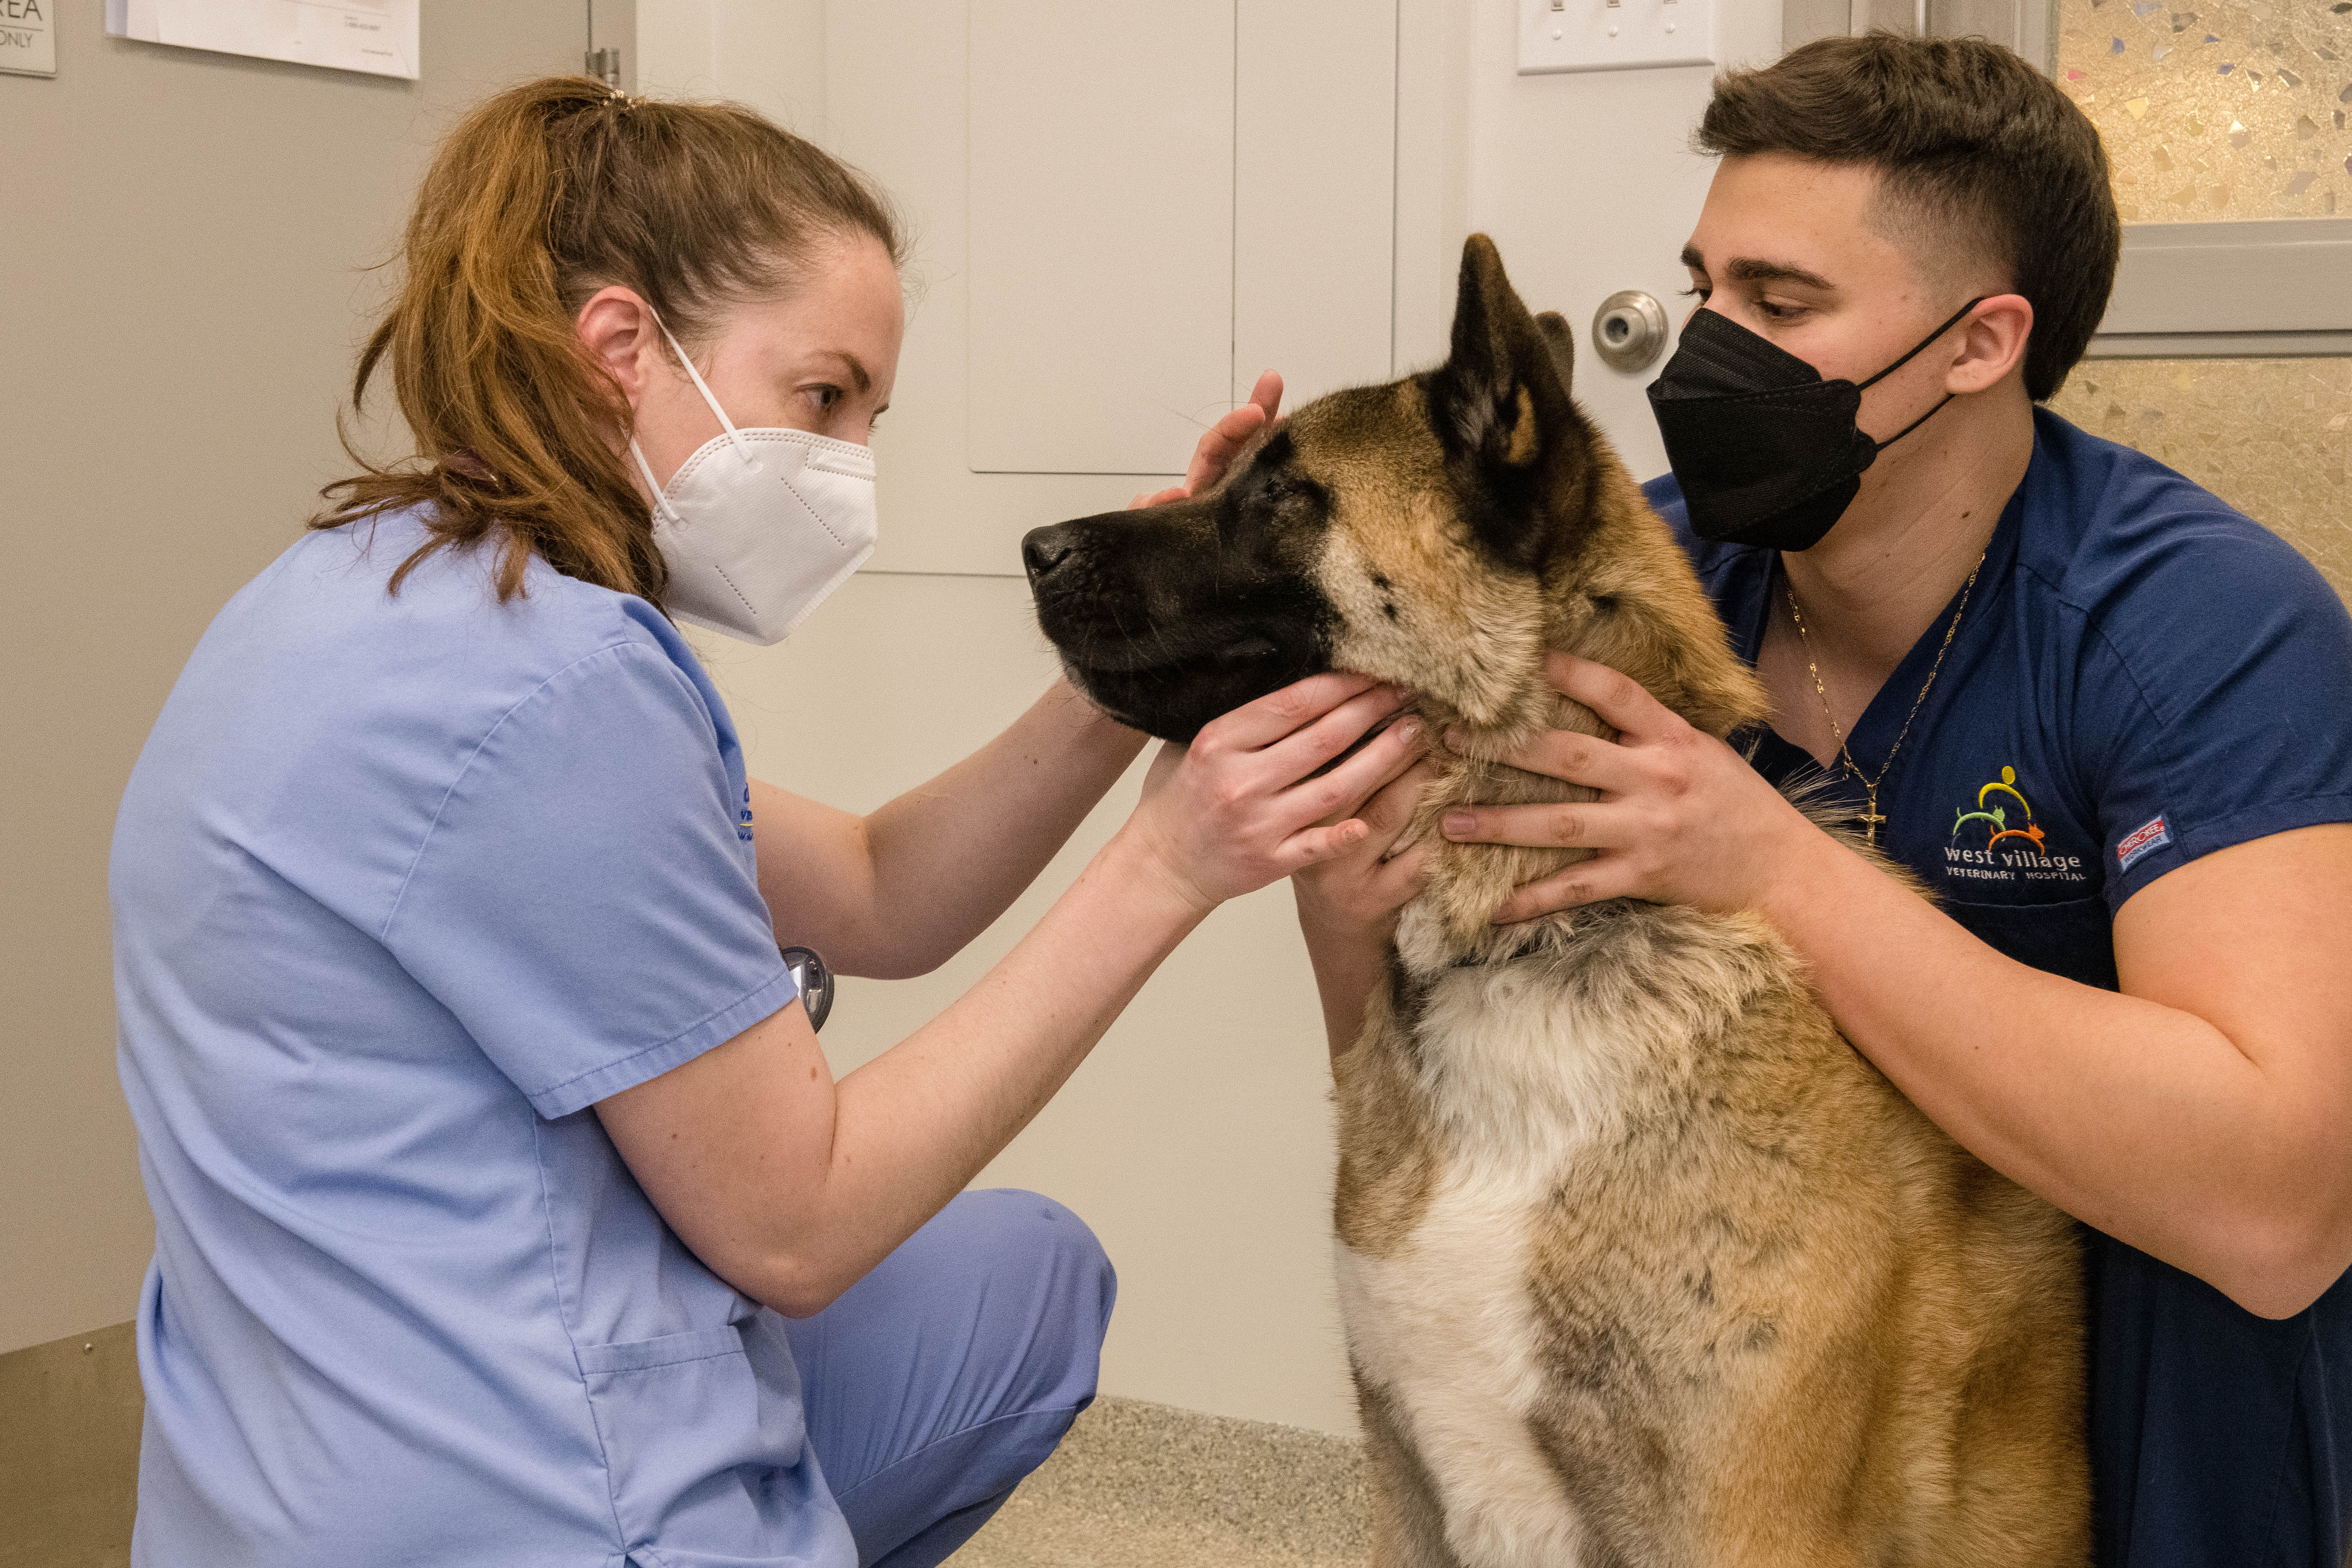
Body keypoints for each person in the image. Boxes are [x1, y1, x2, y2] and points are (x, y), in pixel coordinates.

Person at [109, 78, 1421, 1568]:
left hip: (279, 1467)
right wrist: (1171, 862)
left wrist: (1139, 654)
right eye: (823, 398)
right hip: (510, 1506)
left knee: (1026, 1279)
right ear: (621, 348)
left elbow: (877, 889)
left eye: (870, 416)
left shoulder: (371, 594)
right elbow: (798, 1230)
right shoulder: (557, 693)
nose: (850, 465)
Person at [1294, 33, 2352, 1568]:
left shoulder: (2199, 631)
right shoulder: (1635, 585)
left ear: (1977, 343)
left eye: (1779, 305)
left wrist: (1773, 869)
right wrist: (1335, 871)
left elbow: (2274, 1211)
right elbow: (1412, 1063)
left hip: (2125, 1429)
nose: (1700, 352)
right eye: (1703, 287)